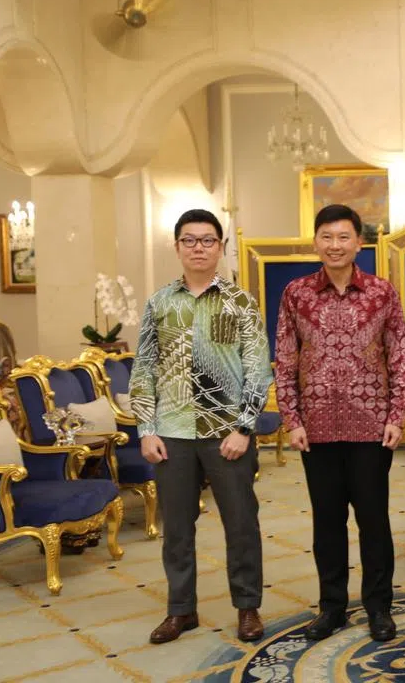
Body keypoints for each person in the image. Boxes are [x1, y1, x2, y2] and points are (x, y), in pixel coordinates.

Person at [130, 209, 272, 645]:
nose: (198, 248)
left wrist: (243, 428)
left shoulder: (241, 303)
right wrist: (146, 429)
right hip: (171, 433)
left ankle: (247, 607)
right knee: (176, 528)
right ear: (176, 247)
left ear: (221, 247)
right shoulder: (159, 303)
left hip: (227, 433)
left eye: (207, 240)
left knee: (241, 524)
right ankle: (181, 610)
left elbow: (257, 370)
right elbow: (144, 369)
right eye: (189, 240)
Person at [274, 204, 405, 643]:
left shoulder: (381, 292)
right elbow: (284, 359)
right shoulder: (296, 293)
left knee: (374, 522)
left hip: (371, 427)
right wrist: (291, 418)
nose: (335, 245)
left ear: (359, 242)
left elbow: (398, 356)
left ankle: (378, 607)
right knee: (326, 523)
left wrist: (397, 416)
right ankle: (331, 607)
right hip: (316, 430)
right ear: (315, 242)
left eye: (344, 237)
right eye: (327, 237)